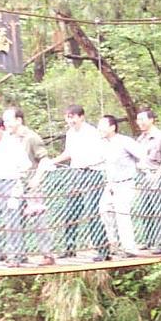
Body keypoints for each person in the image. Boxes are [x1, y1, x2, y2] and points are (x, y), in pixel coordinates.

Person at [45, 104, 110, 261]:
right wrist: (52, 161)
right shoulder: (70, 134)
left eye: (73, 117)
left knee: (91, 212)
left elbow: (102, 154)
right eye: (68, 117)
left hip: (92, 173)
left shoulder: (93, 133)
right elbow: (68, 153)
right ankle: (69, 247)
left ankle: (102, 249)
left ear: (81, 117)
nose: (70, 120)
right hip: (76, 174)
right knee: (70, 210)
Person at [3, 106, 54, 265]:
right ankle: (16, 255)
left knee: (38, 219)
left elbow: (44, 159)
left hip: (32, 183)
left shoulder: (31, 137)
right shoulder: (7, 138)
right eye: (4, 121)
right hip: (14, 183)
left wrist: (37, 178)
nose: (6, 124)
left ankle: (48, 254)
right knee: (12, 219)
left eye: (8, 120)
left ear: (19, 120)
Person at [0, 115, 30, 267]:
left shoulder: (12, 143)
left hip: (10, 182)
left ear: (1, 128)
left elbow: (25, 164)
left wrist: (18, 180)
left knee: (11, 220)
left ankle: (16, 255)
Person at [97, 115, 145, 256]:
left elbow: (142, 154)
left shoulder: (124, 141)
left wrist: (142, 169)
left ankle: (129, 248)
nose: (100, 128)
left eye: (102, 125)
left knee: (122, 213)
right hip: (111, 184)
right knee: (104, 210)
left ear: (112, 127)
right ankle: (113, 244)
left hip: (126, 183)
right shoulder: (103, 144)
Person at [135, 108, 161, 254]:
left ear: (151, 120)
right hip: (143, 177)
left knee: (159, 211)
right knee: (145, 209)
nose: (139, 123)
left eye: (142, 119)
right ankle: (149, 240)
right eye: (138, 119)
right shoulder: (140, 139)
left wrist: (157, 176)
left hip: (157, 176)